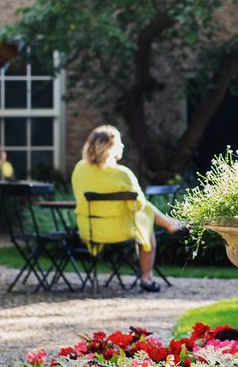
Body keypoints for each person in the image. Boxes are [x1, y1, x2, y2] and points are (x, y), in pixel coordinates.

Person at [71, 125, 185, 292]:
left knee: (145, 213)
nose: (123, 146)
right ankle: (147, 278)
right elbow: (138, 204)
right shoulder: (122, 174)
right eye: (120, 143)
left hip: (90, 230)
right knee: (146, 220)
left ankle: (170, 224)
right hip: (119, 230)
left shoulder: (79, 169)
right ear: (111, 148)